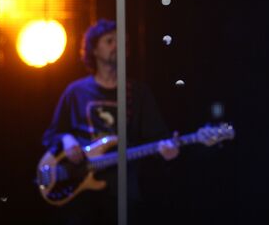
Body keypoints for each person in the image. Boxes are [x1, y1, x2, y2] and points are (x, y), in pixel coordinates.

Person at [41, 18, 179, 224]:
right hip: (81, 194)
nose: (117, 46)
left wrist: (168, 151)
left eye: (122, 42)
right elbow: (52, 135)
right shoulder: (76, 92)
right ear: (94, 50)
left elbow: (158, 138)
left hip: (123, 192)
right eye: (109, 41)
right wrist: (67, 141)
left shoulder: (138, 92)